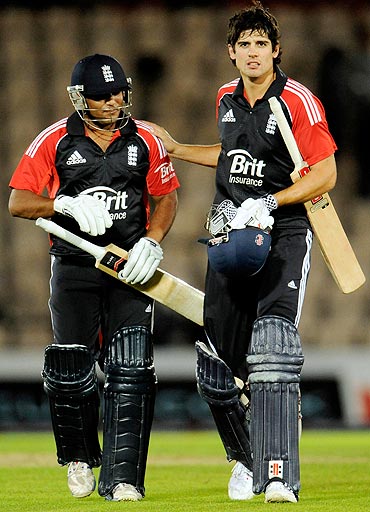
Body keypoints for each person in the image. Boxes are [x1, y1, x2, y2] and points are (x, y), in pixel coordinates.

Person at [147, 1, 337, 504]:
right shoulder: (225, 98)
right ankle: (243, 458)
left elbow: (325, 172)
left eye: (261, 44)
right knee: (216, 359)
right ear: (231, 53)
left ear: (276, 51)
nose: (253, 53)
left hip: (285, 229)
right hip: (229, 228)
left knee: (272, 345)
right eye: (244, 45)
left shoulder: (297, 99)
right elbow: (229, 155)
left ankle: (276, 473)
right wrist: (180, 148)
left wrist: (270, 202)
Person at [8, 54, 179, 502]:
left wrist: (153, 241)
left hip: (131, 267)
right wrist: (60, 205)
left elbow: (166, 198)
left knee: (132, 368)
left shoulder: (146, 140)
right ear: (81, 98)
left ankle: (124, 478)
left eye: (118, 94)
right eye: (102, 97)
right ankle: (81, 457)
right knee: (72, 369)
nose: (112, 103)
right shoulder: (55, 140)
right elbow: (18, 202)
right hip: (74, 265)